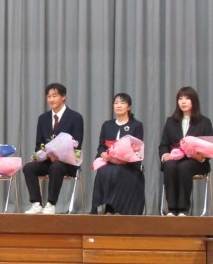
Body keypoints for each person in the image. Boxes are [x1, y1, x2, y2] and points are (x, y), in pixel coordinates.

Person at [24, 83, 84, 214]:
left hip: (67, 163)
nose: (51, 99)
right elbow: (39, 144)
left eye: (54, 96)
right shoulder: (43, 118)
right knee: (28, 167)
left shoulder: (75, 117)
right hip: (48, 160)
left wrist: (61, 153)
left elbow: (77, 144)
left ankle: (51, 204)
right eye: (49, 96)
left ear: (63, 97)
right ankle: (36, 203)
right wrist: (44, 153)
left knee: (56, 167)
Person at [159, 86, 213, 216]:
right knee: (170, 166)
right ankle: (172, 209)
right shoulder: (170, 121)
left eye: (187, 99)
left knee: (184, 167)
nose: (183, 102)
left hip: (196, 162)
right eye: (180, 99)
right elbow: (164, 144)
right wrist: (165, 155)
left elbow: (209, 146)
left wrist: (201, 157)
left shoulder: (205, 122)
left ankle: (183, 209)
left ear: (194, 101)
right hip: (174, 159)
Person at [91, 93, 145, 215]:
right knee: (103, 171)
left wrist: (122, 159)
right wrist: (103, 154)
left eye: (122, 103)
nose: (118, 105)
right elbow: (101, 145)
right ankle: (103, 207)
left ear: (129, 107)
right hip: (109, 162)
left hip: (128, 165)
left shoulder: (136, 125)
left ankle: (117, 208)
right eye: (116, 103)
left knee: (117, 171)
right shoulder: (107, 125)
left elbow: (138, 148)